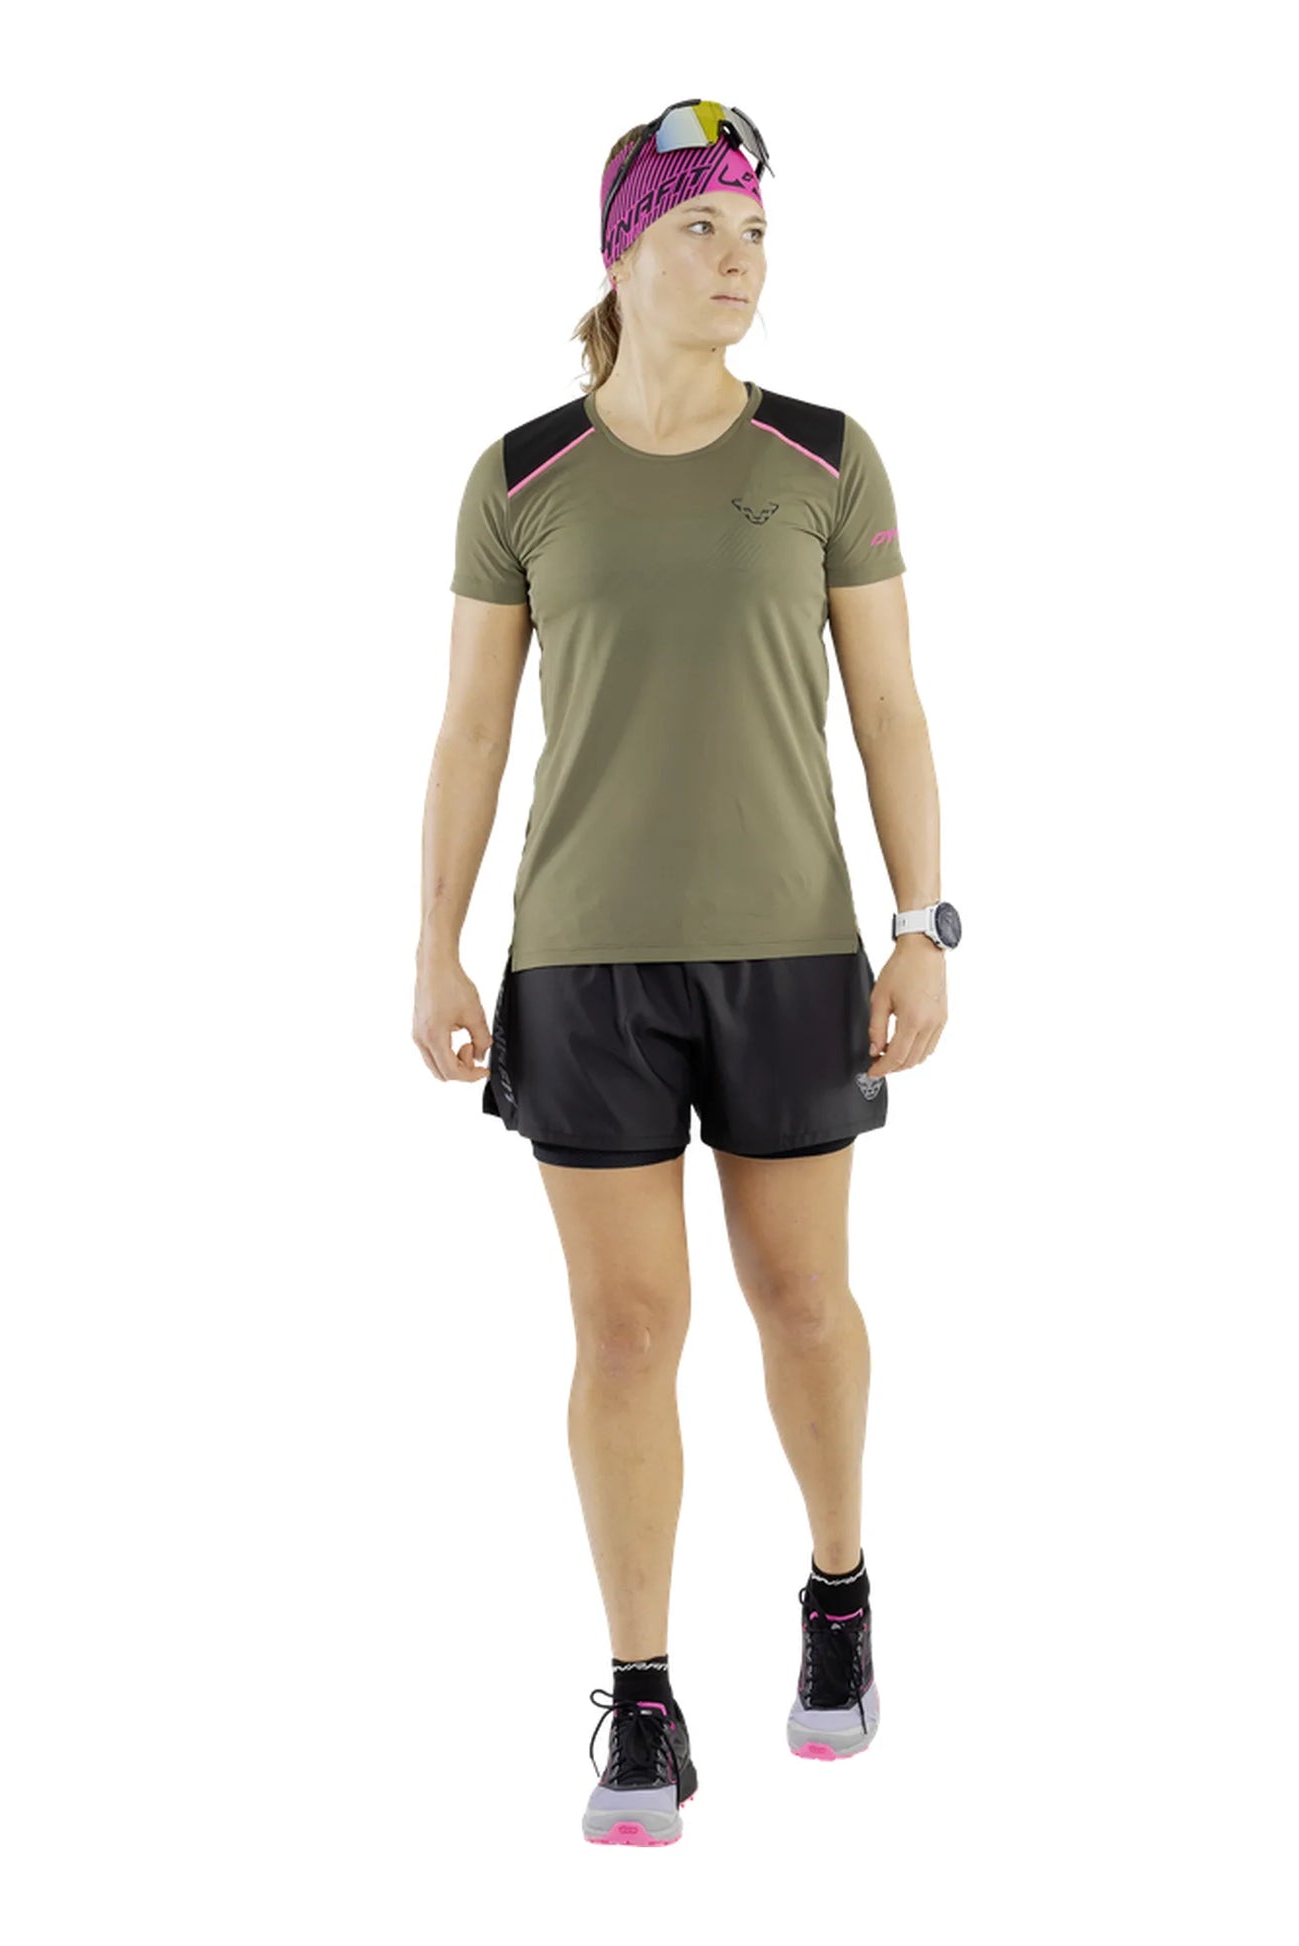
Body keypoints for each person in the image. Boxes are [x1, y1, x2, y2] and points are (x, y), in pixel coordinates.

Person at [412, 100, 961, 1848]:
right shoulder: (520, 478)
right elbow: (473, 729)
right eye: (700, 230)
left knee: (802, 1300)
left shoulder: (824, 459)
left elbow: (888, 706)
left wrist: (923, 922)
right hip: (583, 963)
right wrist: (434, 940)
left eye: (754, 233)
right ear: (623, 253)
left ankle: (836, 1583)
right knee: (626, 1329)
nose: (739, 262)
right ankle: (641, 1699)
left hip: (791, 950)